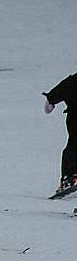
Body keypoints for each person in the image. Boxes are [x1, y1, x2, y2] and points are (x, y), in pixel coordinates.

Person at [43, 70, 77, 198]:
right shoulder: (75, 81)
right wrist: (51, 99)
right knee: (74, 145)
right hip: (75, 116)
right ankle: (69, 177)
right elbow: (64, 87)